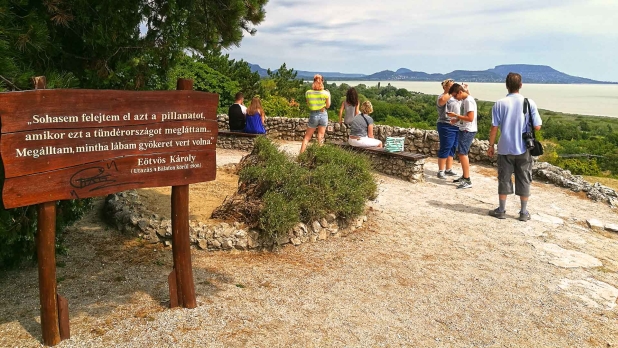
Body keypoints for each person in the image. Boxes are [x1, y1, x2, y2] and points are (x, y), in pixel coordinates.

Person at [487, 72, 542, 221]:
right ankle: (523, 213)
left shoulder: (499, 103)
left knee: (504, 178)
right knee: (524, 178)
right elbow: (537, 126)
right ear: (521, 85)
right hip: (524, 148)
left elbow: (494, 128)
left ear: (506, 85)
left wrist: (491, 145)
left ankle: (502, 210)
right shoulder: (529, 103)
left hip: (505, 147)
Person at [447, 83, 477, 189]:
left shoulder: (468, 101)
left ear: (460, 92)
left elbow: (470, 118)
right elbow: (466, 116)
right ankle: (464, 176)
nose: (455, 98)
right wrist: (457, 119)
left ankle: (467, 180)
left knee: (463, 154)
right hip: (464, 129)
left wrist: (455, 115)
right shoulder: (466, 99)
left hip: (467, 130)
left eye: (455, 96)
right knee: (461, 153)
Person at [436, 79, 461, 179]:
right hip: (445, 124)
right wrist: (450, 92)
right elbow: (441, 102)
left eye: (453, 86)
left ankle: (448, 169)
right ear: (444, 87)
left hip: (456, 125)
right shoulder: (442, 97)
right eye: (450, 86)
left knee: (452, 147)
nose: (452, 87)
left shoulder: (455, 98)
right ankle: (441, 170)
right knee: (446, 146)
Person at [300, 74, 331, 153]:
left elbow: (309, 104)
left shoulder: (308, 93)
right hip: (323, 114)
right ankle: (320, 158)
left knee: (307, 137)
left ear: (313, 81)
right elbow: (328, 106)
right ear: (322, 81)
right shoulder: (325, 93)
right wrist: (329, 95)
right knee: (320, 137)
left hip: (314, 114)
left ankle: (301, 156)